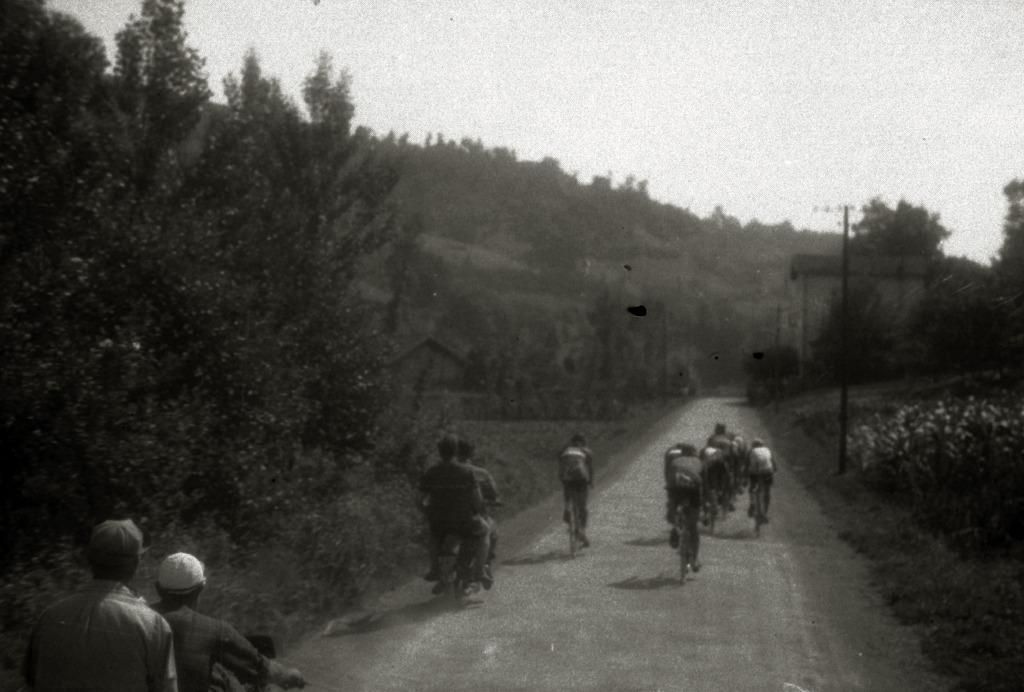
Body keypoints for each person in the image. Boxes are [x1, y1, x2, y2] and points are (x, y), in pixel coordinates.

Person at [22, 518, 179, 692]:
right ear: (136, 563)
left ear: (89, 558)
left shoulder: (50, 617)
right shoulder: (152, 625)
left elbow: (30, 681)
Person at [151, 552, 306, 692]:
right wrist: (291, 675)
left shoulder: (137, 620)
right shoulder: (214, 630)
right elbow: (262, 669)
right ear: (200, 589)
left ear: (158, 588)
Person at [419, 432, 489, 596]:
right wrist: (482, 512)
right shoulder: (466, 472)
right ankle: (479, 572)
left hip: (440, 524)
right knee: (485, 532)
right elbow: (478, 501)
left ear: (439, 452)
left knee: (433, 538)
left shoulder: (431, 472)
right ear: (456, 452)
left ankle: (435, 569)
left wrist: (427, 512)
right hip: (464, 523)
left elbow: (419, 499)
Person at [456, 438, 502, 590]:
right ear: (472, 453)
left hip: (450, 517)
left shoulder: (450, 471)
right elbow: (494, 493)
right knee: (492, 531)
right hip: (475, 516)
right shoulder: (481, 473)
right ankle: (484, 565)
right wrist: (494, 500)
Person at [663, 442, 704, 572]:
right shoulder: (698, 461)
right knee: (693, 527)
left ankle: (674, 526)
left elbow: (668, 480)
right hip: (693, 491)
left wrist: (671, 504)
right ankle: (695, 559)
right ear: (693, 452)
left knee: (672, 508)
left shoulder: (676, 460)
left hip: (676, 488)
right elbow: (704, 482)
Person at [558, 433, 594, 548]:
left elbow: (560, 467)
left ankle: (567, 508)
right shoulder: (586, 451)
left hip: (568, 479)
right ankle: (582, 530)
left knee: (568, 496)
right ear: (583, 442)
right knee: (582, 506)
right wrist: (591, 481)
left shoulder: (565, 451)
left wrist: (562, 480)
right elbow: (590, 468)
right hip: (581, 479)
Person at [747, 438, 777, 522]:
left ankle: (752, 503)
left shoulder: (751, 451)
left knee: (752, 487)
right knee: (767, 491)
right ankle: (765, 513)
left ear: (753, 446)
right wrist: (773, 471)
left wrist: (744, 476)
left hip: (755, 472)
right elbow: (774, 466)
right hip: (767, 471)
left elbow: (746, 464)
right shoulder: (767, 450)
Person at [700, 444, 734, 516]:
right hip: (716, 477)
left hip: (710, 477)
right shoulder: (720, 456)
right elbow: (726, 472)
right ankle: (728, 502)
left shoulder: (703, 455)